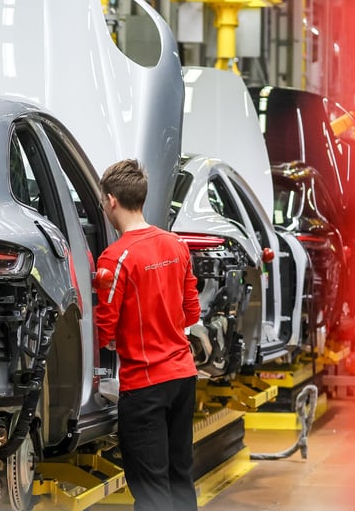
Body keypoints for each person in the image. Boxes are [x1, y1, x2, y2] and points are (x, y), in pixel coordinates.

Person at [93, 159, 201, 511]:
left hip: (145, 386)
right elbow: (192, 313)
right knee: (179, 476)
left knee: (152, 489)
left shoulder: (114, 259)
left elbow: (103, 328)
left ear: (111, 200)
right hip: (183, 377)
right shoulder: (176, 245)